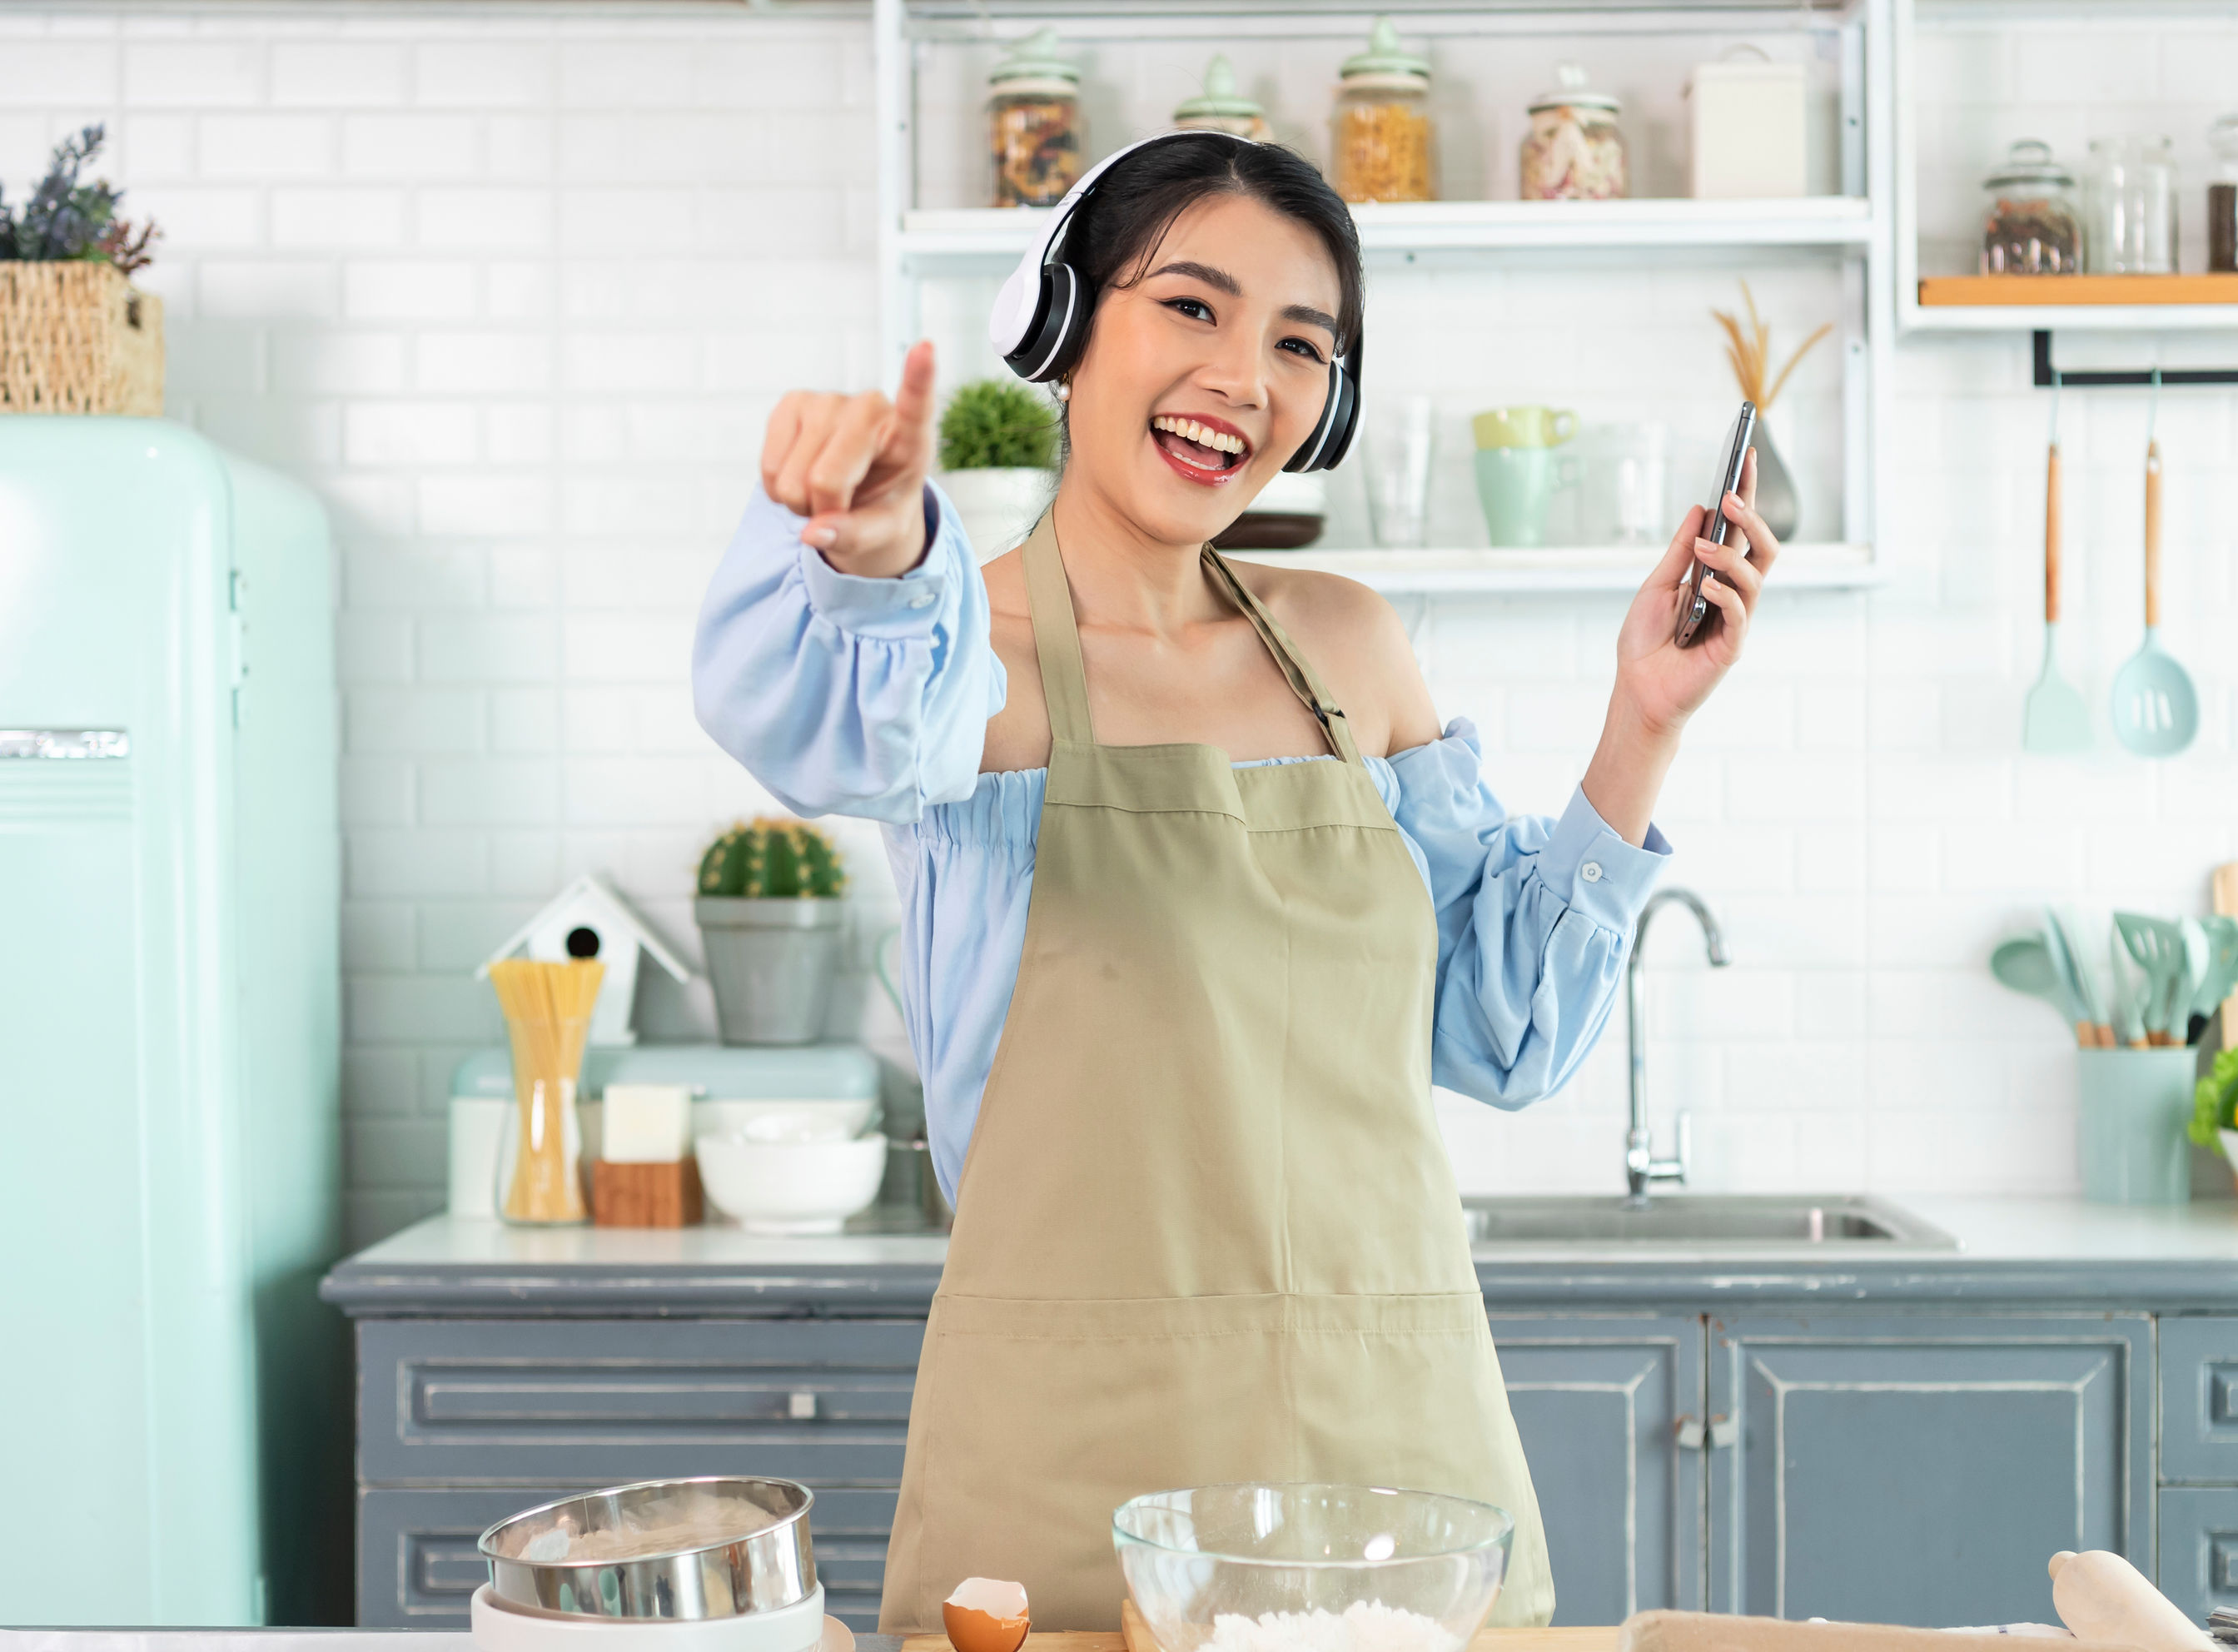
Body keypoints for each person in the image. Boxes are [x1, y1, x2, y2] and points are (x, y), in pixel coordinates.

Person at [693, 132, 1771, 1632]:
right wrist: (869, 557)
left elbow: (1507, 1035)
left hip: (1391, 1445)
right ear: (1067, 327)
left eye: (1298, 344)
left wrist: (1644, 718)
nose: (1244, 379)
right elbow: (815, 723)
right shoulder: (963, 664)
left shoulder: (1352, 646)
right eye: (1191, 308)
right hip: (1072, 1452)